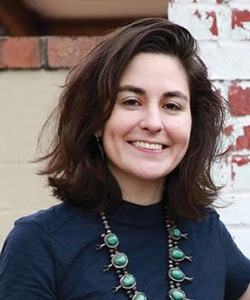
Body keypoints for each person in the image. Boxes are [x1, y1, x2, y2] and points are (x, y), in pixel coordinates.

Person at [0, 18, 250, 300]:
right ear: (95, 118)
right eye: (131, 101)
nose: (153, 123)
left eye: (171, 105)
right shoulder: (39, 244)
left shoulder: (206, 230)